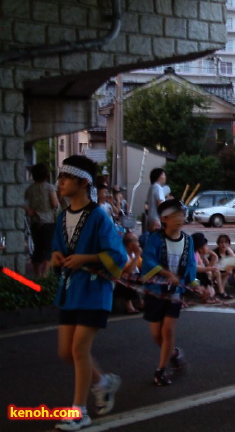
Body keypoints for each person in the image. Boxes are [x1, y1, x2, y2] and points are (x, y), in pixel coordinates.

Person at [50, 155, 127, 431]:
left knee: (79, 349)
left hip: (94, 290)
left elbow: (118, 256)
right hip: (71, 291)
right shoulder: (62, 216)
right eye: (60, 178)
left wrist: (85, 259)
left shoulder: (98, 216)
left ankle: (79, 411)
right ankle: (104, 383)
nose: (60, 183)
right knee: (65, 351)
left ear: (83, 182)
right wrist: (57, 257)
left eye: (65, 178)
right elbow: (57, 248)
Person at [141, 199, 197, 386]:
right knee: (156, 334)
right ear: (164, 219)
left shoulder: (188, 240)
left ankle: (161, 370)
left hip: (175, 293)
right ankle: (173, 353)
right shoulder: (155, 239)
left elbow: (191, 266)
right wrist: (165, 273)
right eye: (176, 216)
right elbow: (148, 260)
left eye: (182, 215)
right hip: (156, 291)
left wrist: (196, 284)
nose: (181, 219)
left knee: (168, 330)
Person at [24, 162, 59, 277]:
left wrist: (29, 210)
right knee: (48, 249)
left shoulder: (30, 189)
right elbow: (55, 204)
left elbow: (21, 202)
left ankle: (37, 274)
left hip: (35, 222)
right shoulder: (50, 187)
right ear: (46, 174)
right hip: (48, 222)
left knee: (38, 249)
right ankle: (45, 275)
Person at [114, 232, 144, 314]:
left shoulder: (133, 254)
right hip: (118, 281)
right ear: (130, 243)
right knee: (128, 277)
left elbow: (142, 267)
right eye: (137, 241)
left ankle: (141, 302)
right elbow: (128, 271)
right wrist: (138, 255)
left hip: (131, 277)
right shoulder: (122, 255)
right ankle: (129, 305)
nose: (138, 243)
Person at [191, 232, 218, 304]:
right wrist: (209, 269)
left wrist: (215, 257)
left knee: (207, 274)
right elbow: (194, 268)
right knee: (205, 274)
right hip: (191, 275)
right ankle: (205, 293)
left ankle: (209, 293)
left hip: (198, 274)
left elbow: (203, 266)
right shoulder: (190, 253)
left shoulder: (197, 253)